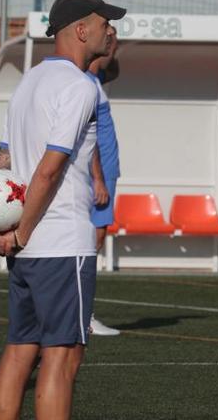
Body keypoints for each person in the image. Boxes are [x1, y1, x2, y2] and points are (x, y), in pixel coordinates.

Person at [0, 0, 125, 419]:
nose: (111, 30)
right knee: (60, 360)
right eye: (104, 23)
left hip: (27, 250)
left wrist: (0, 228)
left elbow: (2, 166)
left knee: (19, 349)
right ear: (81, 29)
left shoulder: (28, 83)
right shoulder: (80, 87)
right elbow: (48, 170)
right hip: (61, 243)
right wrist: (19, 230)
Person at [88, 26, 122, 337]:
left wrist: (113, 36)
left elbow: (111, 62)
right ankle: (84, 313)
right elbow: (89, 138)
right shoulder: (86, 82)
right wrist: (98, 178)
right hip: (97, 177)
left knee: (94, 241)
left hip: (106, 173)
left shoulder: (95, 81)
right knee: (90, 242)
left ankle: (83, 311)